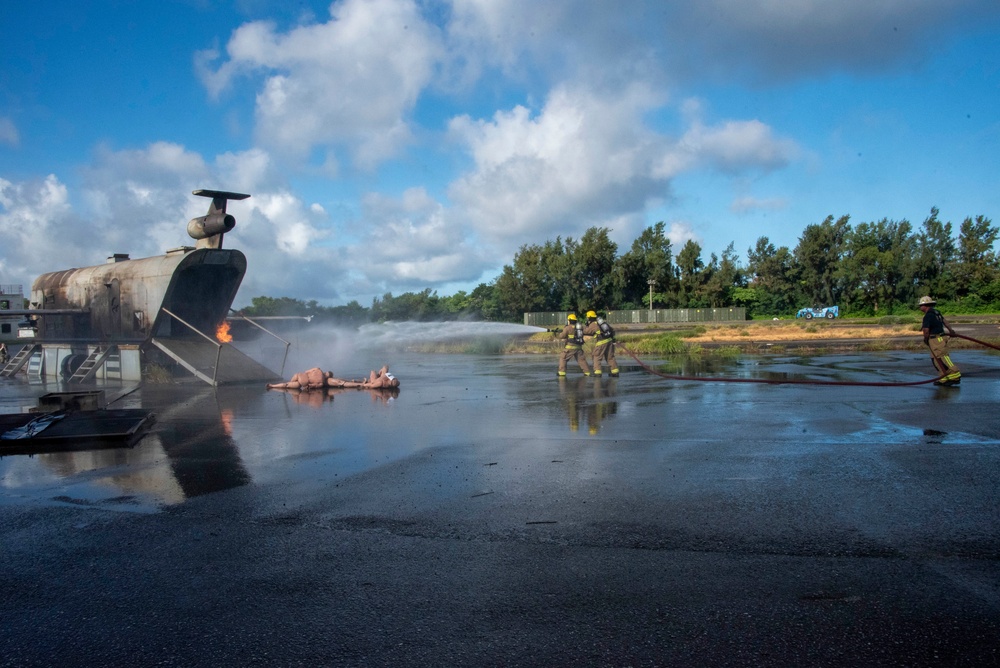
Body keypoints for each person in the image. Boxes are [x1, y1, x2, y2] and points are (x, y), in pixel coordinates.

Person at [917, 296, 961, 386]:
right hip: (938, 338)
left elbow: (926, 330)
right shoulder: (936, 312)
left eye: (921, 305)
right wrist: (951, 331)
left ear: (925, 305)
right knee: (936, 359)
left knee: (943, 357)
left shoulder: (928, 316)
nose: (920, 307)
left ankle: (955, 373)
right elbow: (946, 322)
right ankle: (944, 377)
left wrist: (925, 339)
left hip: (936, 339)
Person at [583, 310, 619, 377]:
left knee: (596, 356)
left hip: (601, 342)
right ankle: (615, 372)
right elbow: (612, 330)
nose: (587, 319)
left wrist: (583, 328)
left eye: (587, 317)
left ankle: (597, 373)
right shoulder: (602, 323)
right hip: (609, 341)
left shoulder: (593, 324)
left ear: (589, 317)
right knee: (610, 357)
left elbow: (586, 331)